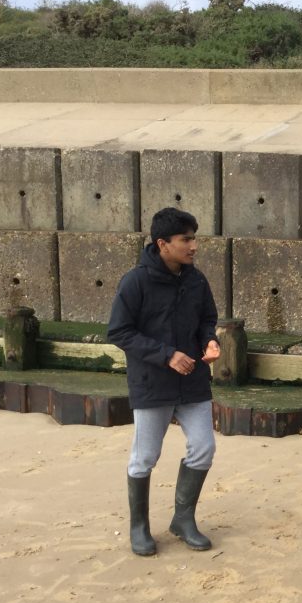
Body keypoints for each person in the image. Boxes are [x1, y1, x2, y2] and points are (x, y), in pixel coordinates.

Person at [107, 207, 221, 556]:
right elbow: (119, 331)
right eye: (186, 239)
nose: (194, 246)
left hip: (193, 382)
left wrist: (209, 341)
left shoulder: (196, 279)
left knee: (204, 448)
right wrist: (166, 354)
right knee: (145, 457)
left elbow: (207, 318)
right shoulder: (135, 282)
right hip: (152, 383)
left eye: (194, 238)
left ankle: (183, 520)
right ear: (162, 244)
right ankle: (139, 528)